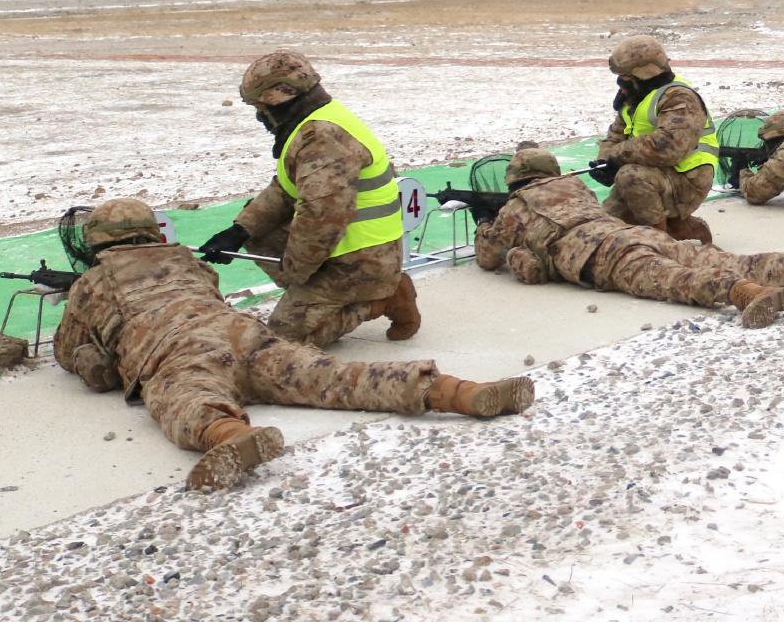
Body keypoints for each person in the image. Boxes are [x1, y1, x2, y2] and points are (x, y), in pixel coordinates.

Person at [53, 199, 531, 493]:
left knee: (189, 402)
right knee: (335, 379)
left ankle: (231, 438)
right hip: (241, 332)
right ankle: (458, 392)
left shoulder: (93, 284)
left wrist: (94, 359)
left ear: (98, 244)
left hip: (175, 351)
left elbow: (73, 356)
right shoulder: (187, 261)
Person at [474, 148, 784, 329]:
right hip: (630, 232)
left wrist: (485, 224)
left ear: (514, 181)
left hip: (598, 254)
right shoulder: (574, 189)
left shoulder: (515, 209)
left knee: (674, 279)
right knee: (729, 258)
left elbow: (490, 257)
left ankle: (746, 294)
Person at [198, 50, 416, 350]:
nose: (259, 115)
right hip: (348, 250)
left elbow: (321, 219)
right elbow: (285, 190)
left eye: (260, 106)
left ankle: (379, 300)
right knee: (258, 228)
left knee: (282, 345)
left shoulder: (322, 136)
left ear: (278, 100)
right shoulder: (316, 121)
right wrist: (239, 231)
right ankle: (319, 298)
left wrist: (296, 273)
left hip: (362, 260)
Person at [594, 35, 719, 244]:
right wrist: (605, 161)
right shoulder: (636, 97)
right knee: (603, 229)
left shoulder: (679, 97)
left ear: (642, 75)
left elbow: (669, 147)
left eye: (625, 78)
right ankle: (678, 226)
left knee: (629, 176)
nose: (621, 84)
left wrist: (618, 157)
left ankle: (661, 242)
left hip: (687, 179)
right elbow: (616, 134)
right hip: (655, 174)